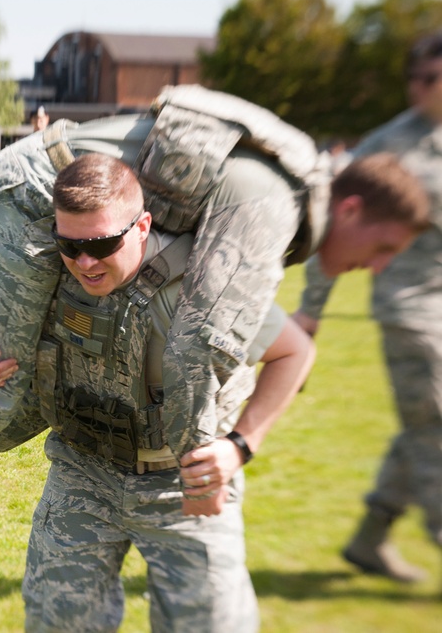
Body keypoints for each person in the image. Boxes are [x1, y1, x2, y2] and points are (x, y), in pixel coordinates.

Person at [0, 85, 430, 595]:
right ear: (349, 210)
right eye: (383, 248)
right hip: (39, 196)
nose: (377, 267)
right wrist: (199, 466)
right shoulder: (272, 202)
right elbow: (206, 343)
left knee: (74, 369)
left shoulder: (274, 189)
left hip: (80, 215)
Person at [21, 155, 312, 631]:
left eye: (103, 243)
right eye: (70, 244)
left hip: (184, 485)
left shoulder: (202, 287)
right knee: (57, 623)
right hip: (83, 474)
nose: (85, 261)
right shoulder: (58, 265)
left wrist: (240, 446)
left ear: (142, 226)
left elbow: (294, 352)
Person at [295, 32, 442, 584]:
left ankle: (371, 537)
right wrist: (310, 311)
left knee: (423, 420)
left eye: (431, 77)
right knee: (435, 418)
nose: (418, 88)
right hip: (410, 306)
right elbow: (335, 225)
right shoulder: (390, 147)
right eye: (415, 77)